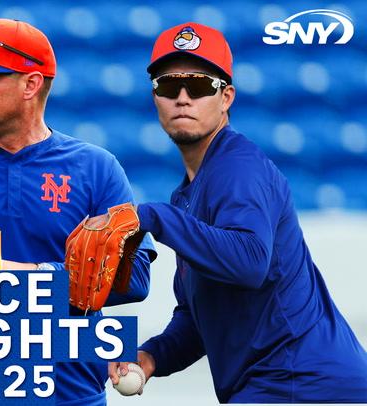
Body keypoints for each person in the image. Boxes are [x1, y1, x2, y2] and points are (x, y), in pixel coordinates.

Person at [109, 22, 367, 402]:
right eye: (168, 86)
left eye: (198, 86)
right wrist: (151, 357)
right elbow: (200, 321)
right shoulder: (188, 194)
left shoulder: (237, 167)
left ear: (226, 97)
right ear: (155, 98)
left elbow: (249, 262)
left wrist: (152, 217)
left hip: (305, 383)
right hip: (283, 384)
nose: (182, 98)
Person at [0, 18, 156, 405]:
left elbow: (137, 277)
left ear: (31, 83)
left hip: (70, 394)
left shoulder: (96, 169)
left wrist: (26, 277)